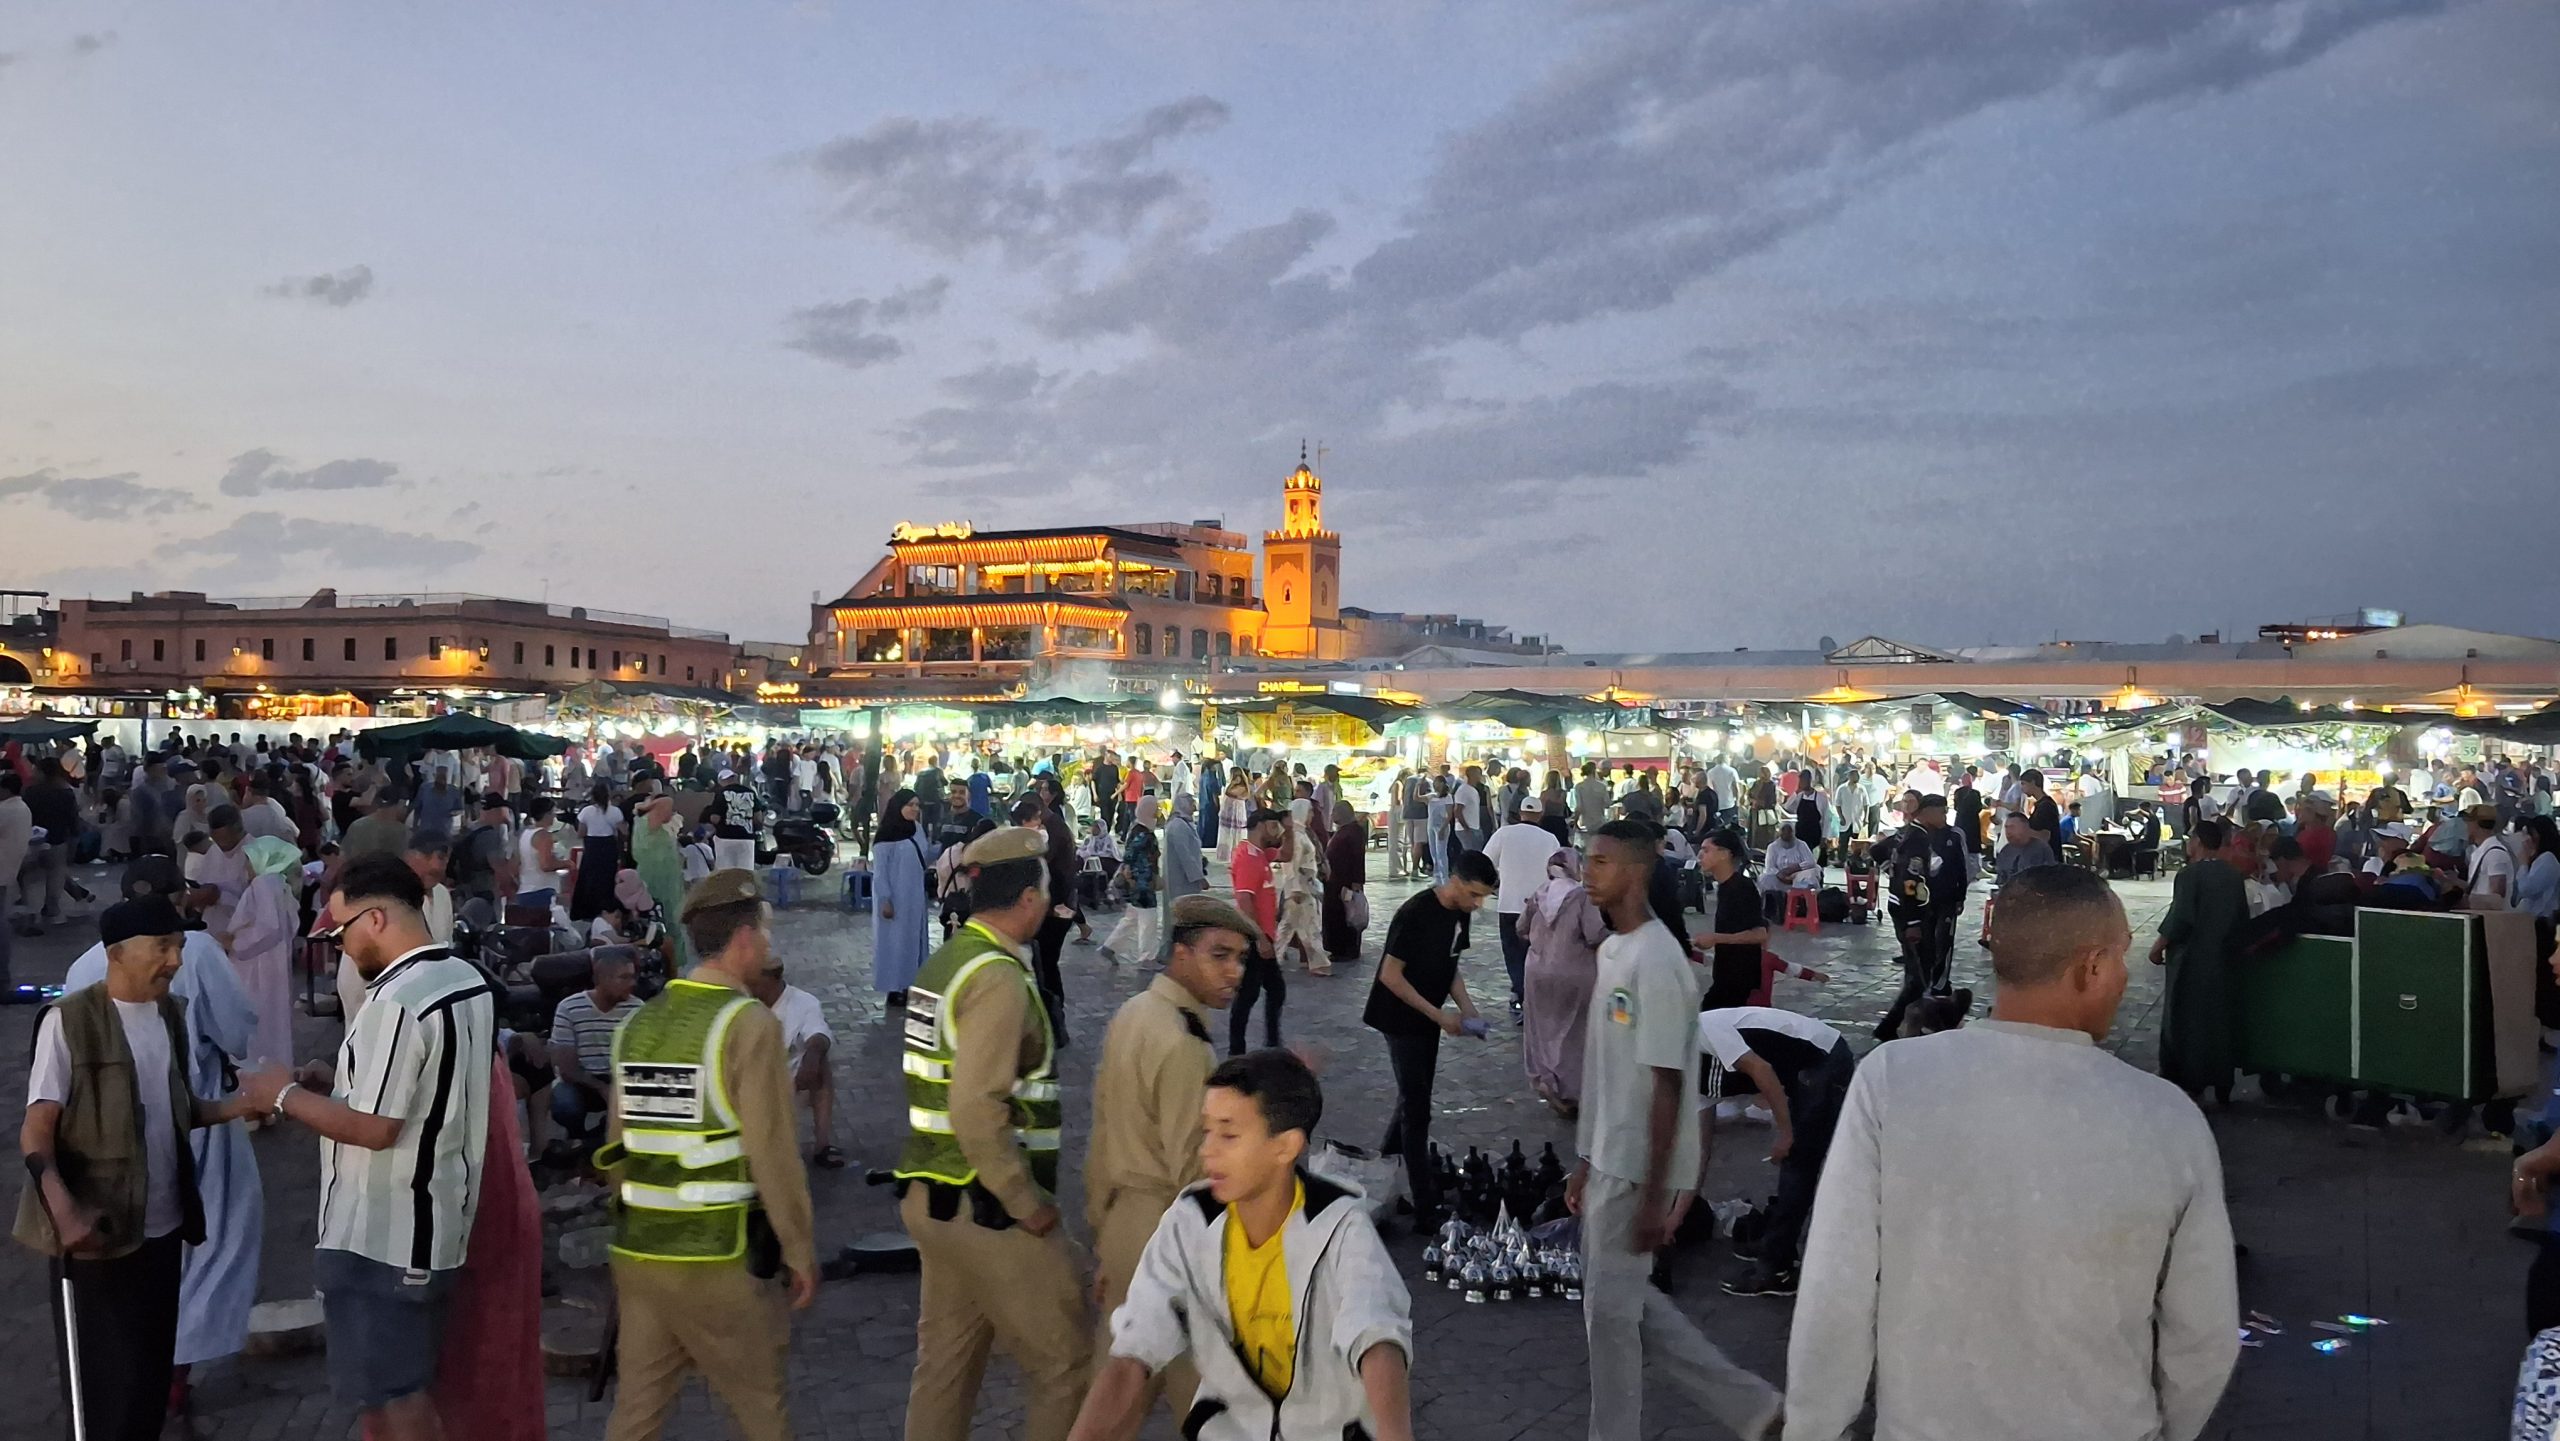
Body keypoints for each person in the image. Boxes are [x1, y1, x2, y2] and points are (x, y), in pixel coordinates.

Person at [1787, 865, 2239, 1441]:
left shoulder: (1893, 1081)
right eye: (2121, 957)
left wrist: (1813, 1427)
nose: (2125, 975)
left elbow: (1837, 1290)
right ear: (2092, 967)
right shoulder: (2167, 1118)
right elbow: (2203, 1338)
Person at [234, 855, 495, 1441]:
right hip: (435, 1225)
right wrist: (338, 1081)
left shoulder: (397, 999)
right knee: (404, 1393)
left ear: (374, 919)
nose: (341, 948)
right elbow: (426, 1095)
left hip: (385, 1235)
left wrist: (284, 1095)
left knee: (396, 1403)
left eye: (341, 930)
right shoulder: (462, 978)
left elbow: (377, 1129)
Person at [1069, 1049, 1416, 1441]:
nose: (1207, 1150)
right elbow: (1133, 1353)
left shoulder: (1339, 1226)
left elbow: (1376, 1338)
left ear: (1285, 1147)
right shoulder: (1191, 1220)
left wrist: (1394, 1433)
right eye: (1207, 1131)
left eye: (1229, 1134)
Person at [1568, 821, 1783, 1440]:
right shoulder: (1613, 951)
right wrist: (1584, 1157)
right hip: (1608, 1155)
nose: (1588, 871)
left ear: (1635, 873)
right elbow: (1605, 1071)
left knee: (1610, 1319)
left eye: (1601, 862)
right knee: (1619, 1308)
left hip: (1638, 1165)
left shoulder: (1660, 961)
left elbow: (1668, 1086)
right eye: (1588, 859)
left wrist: (1658, 1191)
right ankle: (1754, 1408)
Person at [594, 869, 818, 1441]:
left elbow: (616, 1150)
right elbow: (773, 1154)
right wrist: (799, 1249)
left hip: (640, 1254)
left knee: (638, 1412)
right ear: (744, 938)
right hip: (718, 1256)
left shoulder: (640, 1022)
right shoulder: (748, 1025)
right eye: (764, 935)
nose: (768, 948)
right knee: (759, 1409)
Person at [19, 898, 256, 1441]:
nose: (175, 959)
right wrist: (66, 1211)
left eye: (178, 946)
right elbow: (37, 1131)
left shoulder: (171, 1014)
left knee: (149, 1381)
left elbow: (181, 1110)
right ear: (117, 954)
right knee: (108, 1392)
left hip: (163, 1230)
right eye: (162, 947)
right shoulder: (69, 1022)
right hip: (99, 1236)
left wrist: (248, 1102)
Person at [894, 826, 1090, 1441]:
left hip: (933, 1193)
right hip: (989, 1208)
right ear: (1030, 899)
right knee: (1066, 1365)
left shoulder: (948, 960)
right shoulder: (998, 978)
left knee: (946, 1367)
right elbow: (978, 1108)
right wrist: (1026, 1202)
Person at [1084, 894, 1258, 1433]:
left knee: (1116, 1398)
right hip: (1172, 1236)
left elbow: (1101, 1137)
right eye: (1220, 956)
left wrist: (1106, 1241)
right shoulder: (1184, 1044)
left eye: (1241, 960)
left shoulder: (1135, 1013)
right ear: (1181, 954)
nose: (1233, 973)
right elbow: (1197, 1173)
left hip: (1126, 1224)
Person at [1361, 850, 1497, 1228]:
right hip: (1399, 1016)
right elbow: (1390, 975)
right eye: (1473, 894)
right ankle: (1424, 1206)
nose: (1477, 903)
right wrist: (1440, 1016)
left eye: (1482, 897)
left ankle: (1381, 1176)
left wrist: (1468, 1010)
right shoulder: (1416, 912)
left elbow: (1451, 967)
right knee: (1417, 1108)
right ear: (1454, 880)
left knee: (1413, 1098)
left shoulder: (1460, 914)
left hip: (1427, 1018)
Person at [1698, 1005, 1856, 1298]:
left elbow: (1762, 1070)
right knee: (1797, 1159)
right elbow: (1699, 1146)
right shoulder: (1681, 1078)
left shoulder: (1702, 1028)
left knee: (1798, 1161)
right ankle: (1776, 1241)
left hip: (1823, 1057)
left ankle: (1777, 1268)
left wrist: (1785, 1133)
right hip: (1800, 1066)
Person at [2150, 818, 2248, 1105]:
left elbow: (2180, 918)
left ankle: (2187, 1080)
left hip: (2191, 961)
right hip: (2223, 960)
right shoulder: (2233, 876)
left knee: (2185, 1019)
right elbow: (2241, 919)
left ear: (2198, 842)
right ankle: (2222, 1080)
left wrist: (2157, 948)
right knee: (2219, 1021)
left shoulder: (2189, 876)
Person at [1875, 794, 1967, 1040]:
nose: (1944, 817)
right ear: (1927, 813)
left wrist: (1889, 870)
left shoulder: (1907, 833)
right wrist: (1913, 921)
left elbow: (1877, 850)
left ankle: (1904, 1023)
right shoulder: (1917, 838)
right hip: (1910, 912)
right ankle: (1890, 1026)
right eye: (1941, 812)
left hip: (1907, 908)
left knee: (1918, 972)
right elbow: (1911, 882)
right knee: (1920, 976)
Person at [1523, 847, 1606, 1118]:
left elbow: (1520, 929)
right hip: (1574, 973)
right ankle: (1570, 1093)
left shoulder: (1539, 893)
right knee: (1572, 1034)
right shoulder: (1582, 897)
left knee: (1543, 1032)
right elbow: (1594, 934)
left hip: (1537, 972)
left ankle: (1547, 1081)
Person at [743, 963, 841, 1168]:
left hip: (790, 1084)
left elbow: (819, 1034)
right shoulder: (742, 1001)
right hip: (752, 1087)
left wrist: (812, 1056)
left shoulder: (803, 1002)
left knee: (822, 1065)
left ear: (772, 979)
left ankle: (822, 1145)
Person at [546, 948, 641, 1144]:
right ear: (602, 979)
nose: (632, 984)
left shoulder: (637, 1009)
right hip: (582, 1081)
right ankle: (577, 1138)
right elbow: (566, 1068)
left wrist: (616, 1089)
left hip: (620, 1079)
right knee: (565, 1103)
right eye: (624, 978)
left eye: (632, 977)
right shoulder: (569, 1007)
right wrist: (601, 1088)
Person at [1482, 798, 1561, 1018]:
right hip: (1540, 906)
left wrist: (1495, 884)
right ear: (1540, 813)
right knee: (1536, 952)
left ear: (1520, 813)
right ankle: (1532, 995)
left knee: (1512, 952)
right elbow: (1558, 871)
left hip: (1509, 903)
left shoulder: (1504, 834)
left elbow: (1485, 861)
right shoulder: (1550, 839)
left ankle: (1519, 993)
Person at [229, 835, 303, 1067]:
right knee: (274, 1021)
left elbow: (269, 926)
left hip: (255, 966)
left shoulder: (263, 884)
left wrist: (235, 943)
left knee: (256, 1022)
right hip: (272, 964)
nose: (246, 867)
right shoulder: (278, 884)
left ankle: (256, 1074)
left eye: (249, 861)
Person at [1228, 809, 1288, 1054]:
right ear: (1261, 826)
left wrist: (1291, 830)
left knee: (1274, 989)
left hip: (1262, 936)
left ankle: (1272, 1041)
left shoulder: (1260, 853)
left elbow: (1287, 853)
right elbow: (1244, 900)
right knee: (1248, 994)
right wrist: (1259, 936)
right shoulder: (1248, 857)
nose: (1277, 831)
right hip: (1254, 937)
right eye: (1273, 826)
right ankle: (1237, 1048)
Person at [874, 789, 936, 1005]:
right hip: (895, 900)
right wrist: (885, 899)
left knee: (914, 941)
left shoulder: (917, 830)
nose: (915, 809)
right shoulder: (886, 836)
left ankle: (912, 984)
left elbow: (925, 856)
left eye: (917, 805)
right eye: (910, 804)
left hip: (915, 897)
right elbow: (880, 872)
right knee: (896, 943)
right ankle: (895, 987)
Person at [1696, 829, 1768, 1010]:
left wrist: (1716, 938)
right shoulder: (1725, 887)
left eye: (1706, 850)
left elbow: (1759, 934)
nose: (1700, 856)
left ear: (1724, 854)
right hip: (1726, 975)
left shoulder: (1742, 888)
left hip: (1738, 977)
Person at [1103, 797, 1165, 964]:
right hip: (1142, 883)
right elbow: (1130, 855)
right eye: (1154, 809)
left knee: (1132, 917)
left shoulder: (1137, 828)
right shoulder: (1143, 833)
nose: (1156, 812)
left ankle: (1110, 946)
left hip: (1138, 881)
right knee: (1148, 919)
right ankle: (1147, 957)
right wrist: (1132, 873)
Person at [1319, 801, 1367, 966]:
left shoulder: (1353, 832)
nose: (1332, 815)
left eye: (1334, 812)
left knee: (1347, 915)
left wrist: (1356, 882)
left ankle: (1347, 950)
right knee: (1337, 915)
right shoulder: (1345, 831)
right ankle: (1337, 948)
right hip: (1335, 882)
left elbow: (1357, 858)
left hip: (1345, 882)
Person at [571, 781, 626, 923]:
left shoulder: (586, 811)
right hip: (608, 846)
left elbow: (581, 833)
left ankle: (586, 911)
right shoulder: (615, 811)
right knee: (607, 879)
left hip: (592, 846)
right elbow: (624, 831)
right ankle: (606, 909)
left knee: (588, 878)